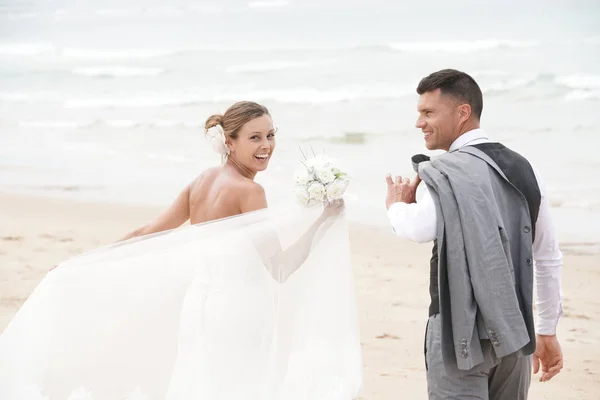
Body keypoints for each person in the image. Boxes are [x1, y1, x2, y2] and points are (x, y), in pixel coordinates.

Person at [0, 101, 362, 400]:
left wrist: (81, 262)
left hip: (199, 307)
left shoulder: (203, 180)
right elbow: (280, 268)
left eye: (270, 135)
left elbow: (147, 232)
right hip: (239, 313)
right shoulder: (249, 192)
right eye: (254, 137)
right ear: (229, 142)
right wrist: (322, 222)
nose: (266, 145)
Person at [385, 69, 564, 399]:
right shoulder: (527, 169)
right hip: (515, 335)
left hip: (459, 335)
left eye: (428, 113)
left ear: (462, 112)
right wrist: (547, 330)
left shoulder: (446, 171)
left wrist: (397, 206)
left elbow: (418, 227)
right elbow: (547, 256)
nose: (419, 123)